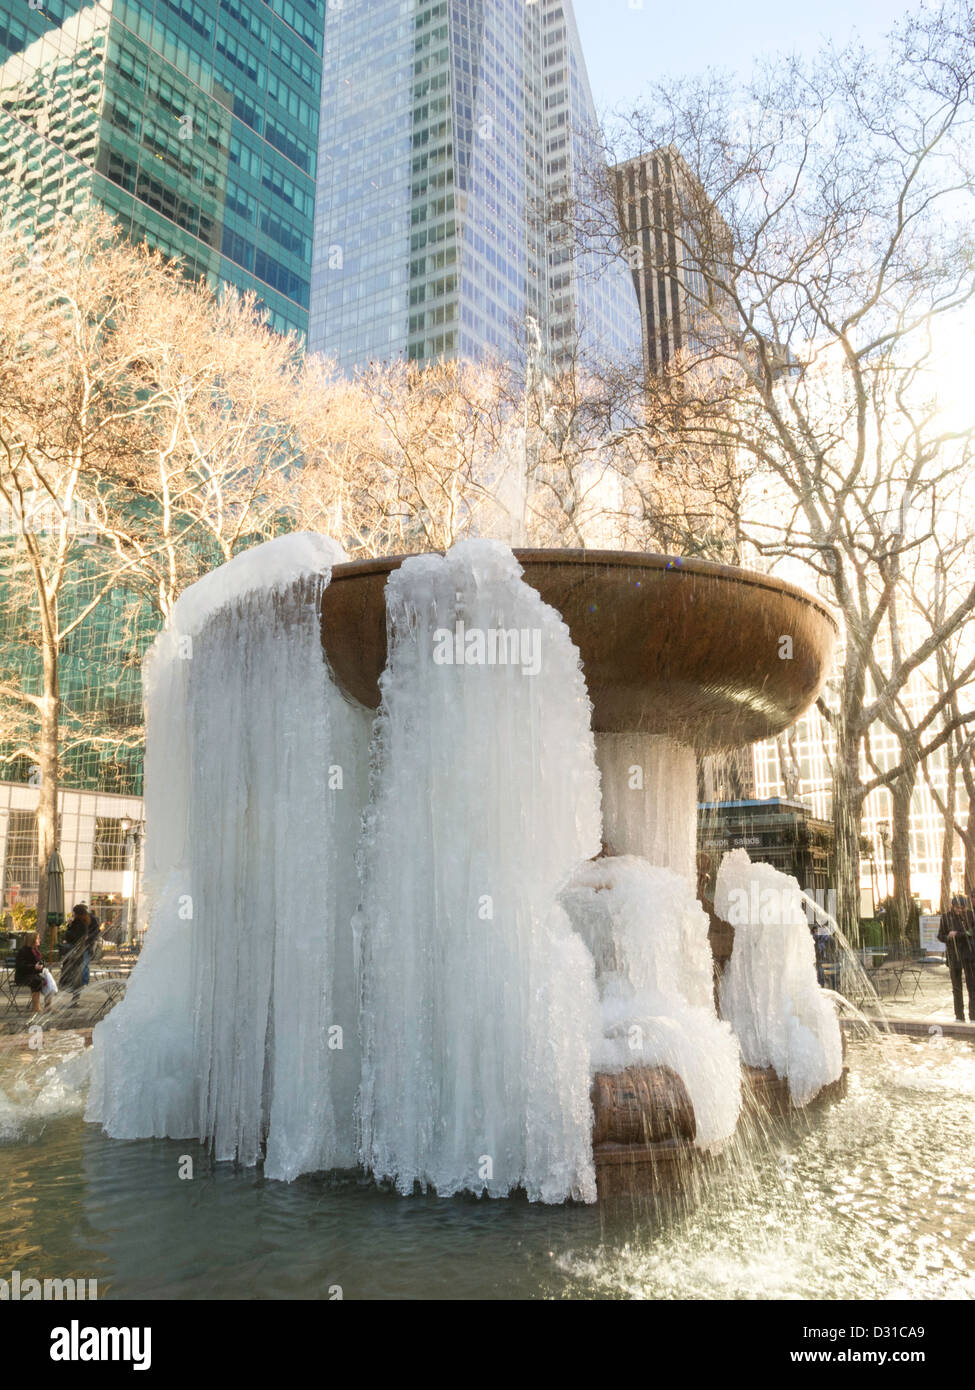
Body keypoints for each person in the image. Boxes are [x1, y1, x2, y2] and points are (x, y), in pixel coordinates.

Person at [938, 895, 975, 1023]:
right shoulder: (946, 917)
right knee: (956, 988)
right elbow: (940, 936)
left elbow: (972, 932)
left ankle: (973, 1015)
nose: (959, 910)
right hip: (954, 957)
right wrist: (948, 937)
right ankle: (959, 1016)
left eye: (961, 908)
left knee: (972, 986)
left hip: (969, 956)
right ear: (952, 906)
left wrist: (958, 935)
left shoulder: (970, 916)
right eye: (957, 908)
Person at [61, 904, 97, 1006]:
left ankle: (75, 998)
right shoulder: (84, 923)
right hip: (79, 953)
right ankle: (75, 997)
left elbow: (71, 937)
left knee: (75, 975)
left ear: (77, 914)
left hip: (75, 953)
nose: (73, 914)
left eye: (74, 913)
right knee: (77, 976)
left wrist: (68, 927)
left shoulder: (78, 924)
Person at [13, 932, 45, 1014]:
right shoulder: (23, 951)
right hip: (22, 976)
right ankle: (36, 1007)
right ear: (32, 940)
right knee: (37, 981)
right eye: (38, 938)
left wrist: (41, 966)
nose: (39, 940)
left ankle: (48, 1005)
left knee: (45, 980)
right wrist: (34, 967)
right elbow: (20, 967)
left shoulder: (35, 951)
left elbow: (39, 963)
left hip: (32, 974)